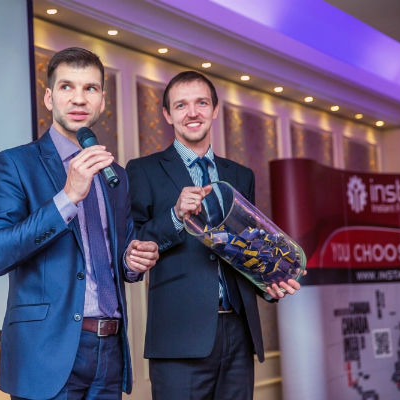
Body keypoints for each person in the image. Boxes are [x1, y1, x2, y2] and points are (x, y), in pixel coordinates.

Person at [0, 47, 159, 400]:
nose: (79, 98)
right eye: (67, 87)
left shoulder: (116, 175)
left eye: (90, 88)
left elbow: (119, 254)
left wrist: (133, 259)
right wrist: (67, 197)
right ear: (49, 97)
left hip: (110, 350)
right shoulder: (14, 164)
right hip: (46, 353)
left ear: (102, 100)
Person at [126, 70, 303, 400]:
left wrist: (270, 282)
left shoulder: (241, 175)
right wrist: (175, 215)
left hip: (239, 335)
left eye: (201, 103)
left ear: (215, 109)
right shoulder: (143, 170)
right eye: (181, 105)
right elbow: (133, 243)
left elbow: (248, 248)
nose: (192, 113)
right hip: (179, 337)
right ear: (167, 114)